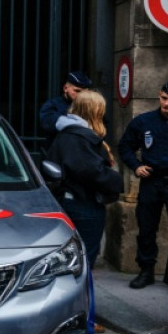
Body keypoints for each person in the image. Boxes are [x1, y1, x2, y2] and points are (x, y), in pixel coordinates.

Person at [48, 90, 123, 266]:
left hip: (72, 201)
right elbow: (90, 171)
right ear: (94, 112)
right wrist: (116, 180)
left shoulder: (68, 133)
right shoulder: (79, 137)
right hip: (84, 204)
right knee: (83, 260)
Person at [119, 77, 168, 291]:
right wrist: (135, 166)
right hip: (151, 181)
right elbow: (125, 147)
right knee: (146, 229)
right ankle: (146, 271)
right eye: (163, 98)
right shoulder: (144, 122)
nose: (166, 104)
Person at [40, 71, 93, 150]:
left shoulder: (91, 106)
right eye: (77, 91)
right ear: (65, 88)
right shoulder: (52, 105)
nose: (80, 95)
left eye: (84, 92)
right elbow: (48, 123)